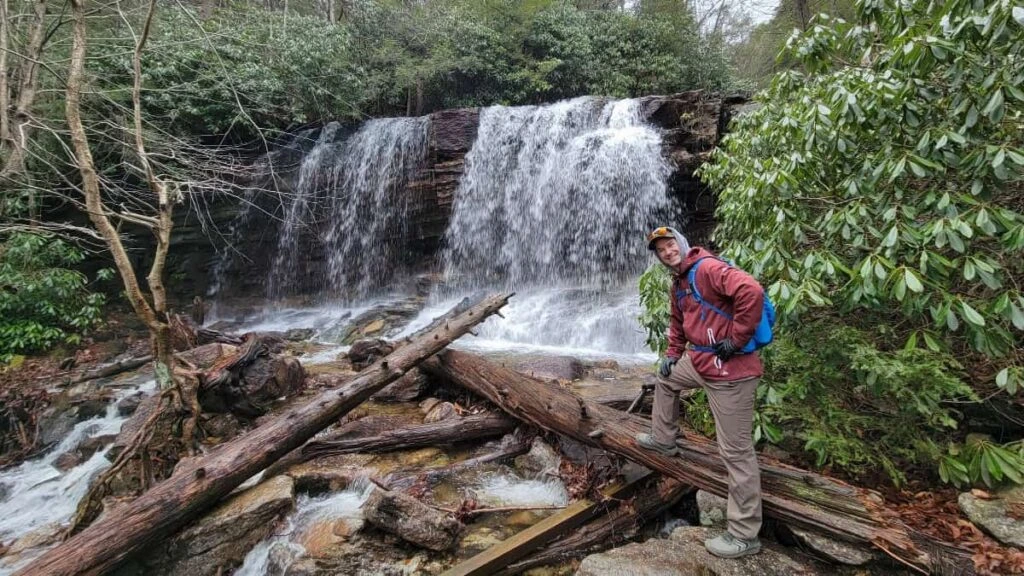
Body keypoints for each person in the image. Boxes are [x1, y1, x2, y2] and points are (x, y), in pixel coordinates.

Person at [636, 225, 765, 559]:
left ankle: (744, 534)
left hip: (732, 372)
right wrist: (671, 356)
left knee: (735, 452)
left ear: (681, 243)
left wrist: (736, 340)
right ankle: (664, 439)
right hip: (701, 362)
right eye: (660, 250)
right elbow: (678, 324)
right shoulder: (678, 284)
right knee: (665, 380)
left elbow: (751, 290)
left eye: (669, 245)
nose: (666, 252)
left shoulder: (707, 268)